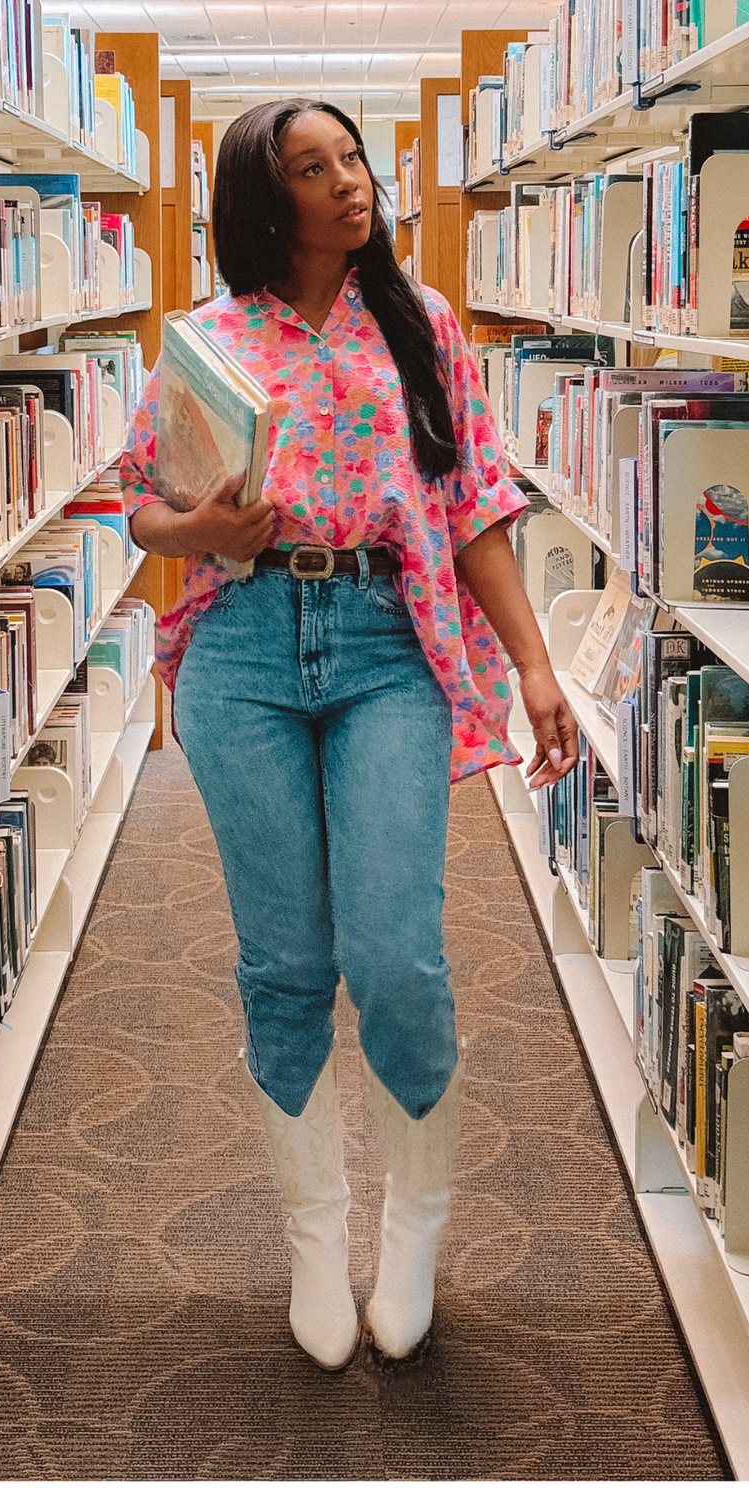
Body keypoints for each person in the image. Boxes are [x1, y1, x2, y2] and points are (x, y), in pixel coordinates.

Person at [119, 98, 579, 1369]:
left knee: (394, 953)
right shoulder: (205, 341)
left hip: (385, 640)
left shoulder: (420, 323)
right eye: (311, 168)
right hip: (245, 650)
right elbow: (141, 509)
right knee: (282, 959)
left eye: (351, 157)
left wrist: (533, 663)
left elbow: (475, 501)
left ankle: (412, 1223)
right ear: (264, 202)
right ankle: (314, 1238)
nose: (346, 182)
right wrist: (200, 532)